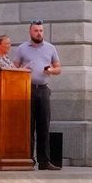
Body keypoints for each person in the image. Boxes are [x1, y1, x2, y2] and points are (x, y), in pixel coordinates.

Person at [15, 20, 62, 170]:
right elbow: (14, 68)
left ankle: (44, 161)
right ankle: (28, 159)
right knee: (28, 126)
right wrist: (23, 69)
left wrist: (51, 71)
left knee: (44, 125)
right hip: (27, 89)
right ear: (30, 32)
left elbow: (58, 68)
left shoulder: (50, 48)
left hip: (43, 89)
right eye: (36, 31)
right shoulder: (22, 48)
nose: (39, 33)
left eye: (41, 31)